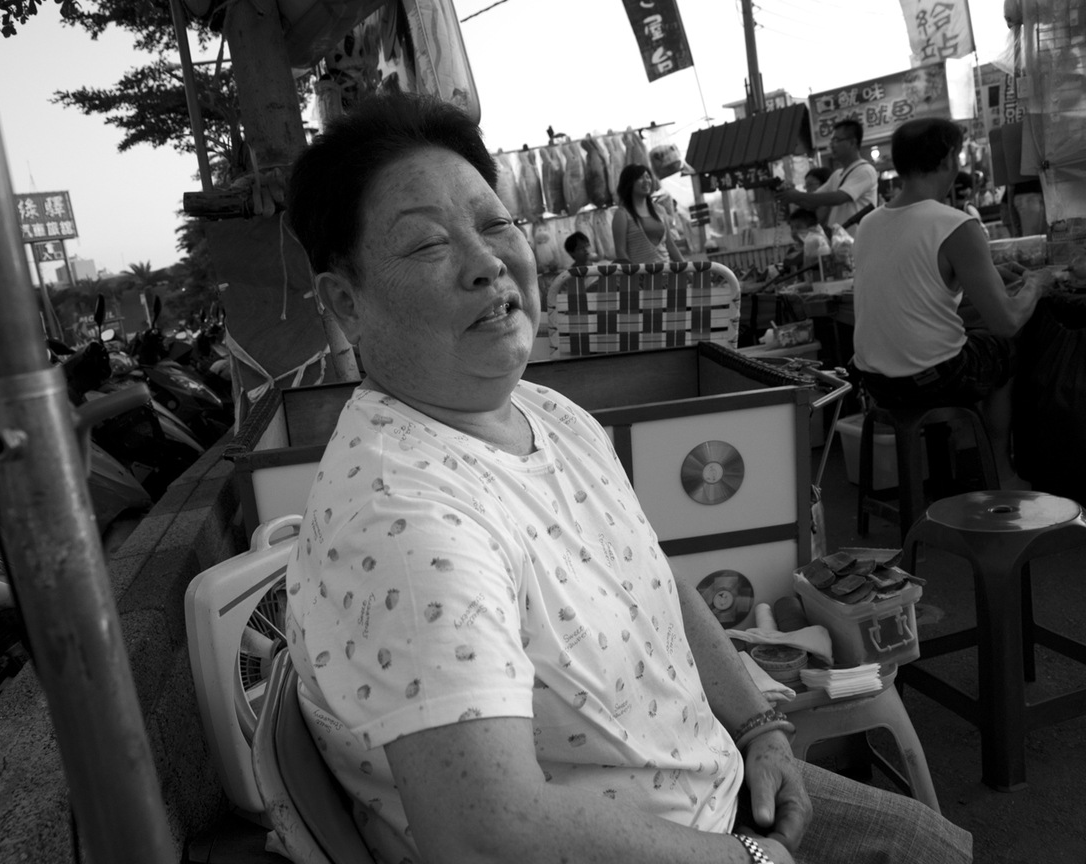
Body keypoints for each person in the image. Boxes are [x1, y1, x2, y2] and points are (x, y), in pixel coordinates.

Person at [284, 92, 972, 864]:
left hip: (716, 789)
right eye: (425, 245)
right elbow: (483, 830)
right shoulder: (403, 518)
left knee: (931, 846)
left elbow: (651, 577)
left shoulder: (544, 411)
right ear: (344, 302)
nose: (486, 264)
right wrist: (747, 861)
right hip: (664, 847)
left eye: (494, 224)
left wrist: (760, 728)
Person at [852, 118, 1055, 489]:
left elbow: (917, 274)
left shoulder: (868, 224)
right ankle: (999, 471)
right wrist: (1037, 283)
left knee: (967, 340)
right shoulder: (956, 224)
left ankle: (964, 449)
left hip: (876, 383)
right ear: (948, 159)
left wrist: (984, 271)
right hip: (932, 381)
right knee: (1004, 348)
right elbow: (1007, 320)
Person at [778, 119, 878, 236]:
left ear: (852, 143)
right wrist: (789, 194)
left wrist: (797, 195)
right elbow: (812, 203)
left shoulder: (865, 171)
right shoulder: (837, 175)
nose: (832, 145)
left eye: (837, 140)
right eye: (831, 141)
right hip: (841, 241)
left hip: (859, 239)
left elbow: (838, 198)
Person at [546, 231, 607, 357]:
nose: (586, 250)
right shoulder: (566, 276)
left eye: (587, 245)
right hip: (579, 319)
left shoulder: (601, 270)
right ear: (571, 253)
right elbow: (564, 304)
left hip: (602, 315)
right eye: (580, 248)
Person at [612, 164, 685, 264]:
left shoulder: (660, 210)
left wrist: (687, 269)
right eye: (640, 178)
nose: (646, 181)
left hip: (666, 271)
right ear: (629, 183)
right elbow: (620, 252)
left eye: (648, 177)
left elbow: (670, 245)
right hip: (640, 273)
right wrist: (633, 272)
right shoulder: (622, 214)